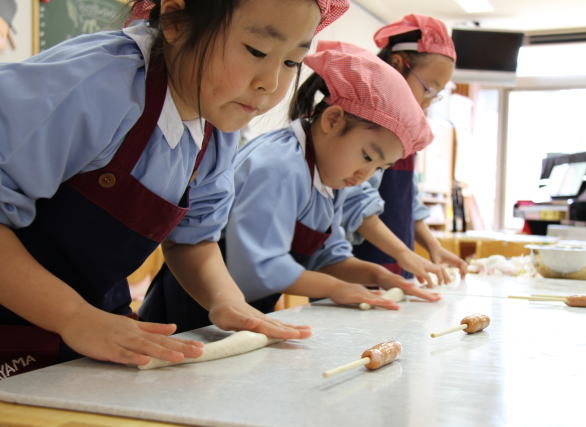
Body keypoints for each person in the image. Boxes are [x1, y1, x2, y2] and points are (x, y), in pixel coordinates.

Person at [0, 0, 348, 377]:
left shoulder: (214, 129)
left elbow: (192, 240)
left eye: (291, 61)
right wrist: (73, 316)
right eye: (256, 50)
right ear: (176, 21)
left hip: (95, 321)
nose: (271, 83)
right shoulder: (96, 83)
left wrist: (227, 300)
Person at [139, 40, 441, 332]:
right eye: (367, 157)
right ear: (333, 120)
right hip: (191, 316)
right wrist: (335, 288)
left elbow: (327, 257)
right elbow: (262, 267)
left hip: (243, 316)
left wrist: (380, 276)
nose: (366, 175)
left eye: (379, 168)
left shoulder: (327, 180)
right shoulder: (277, 166)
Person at [341, 14, 467, 287]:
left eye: (437, 94)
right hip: (356, 268)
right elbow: (355, 201)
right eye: (428, 88)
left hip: (398, 265)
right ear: (398, 64)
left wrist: (433, 247)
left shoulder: (406, 126)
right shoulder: (366, 123)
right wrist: (403, 253)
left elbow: (407, 198)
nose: (429, 101)